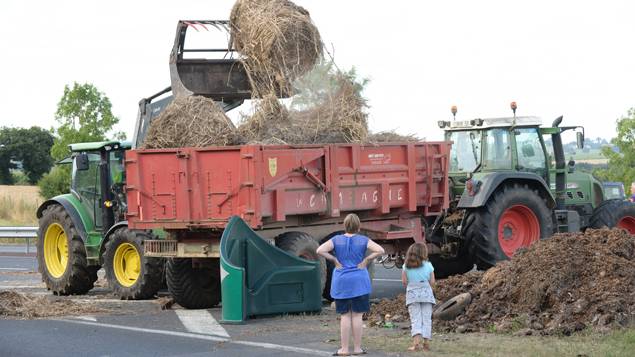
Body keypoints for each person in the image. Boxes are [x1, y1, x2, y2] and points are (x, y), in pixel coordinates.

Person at [316, 213, 385, 356]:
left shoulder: (336, 239)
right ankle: (358, 348)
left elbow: (319, 250)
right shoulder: (363, 240)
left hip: (342, 281)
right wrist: (367, 259)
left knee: (345, 316)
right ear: (358, 227)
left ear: (344, 226)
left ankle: (344, 349)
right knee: (357, 316)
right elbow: (380, 250)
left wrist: (334, 259)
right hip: (359, 281)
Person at [401, 242, 436, 352]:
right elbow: (432, 282)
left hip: (412, 293)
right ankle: (426, 344)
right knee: (426, 319)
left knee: (415, 319)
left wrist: (412, 287)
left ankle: (416, 344)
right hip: (426, 292)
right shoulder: (429, 265)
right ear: (423, 253)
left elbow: (404, 282)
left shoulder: (405, 266)